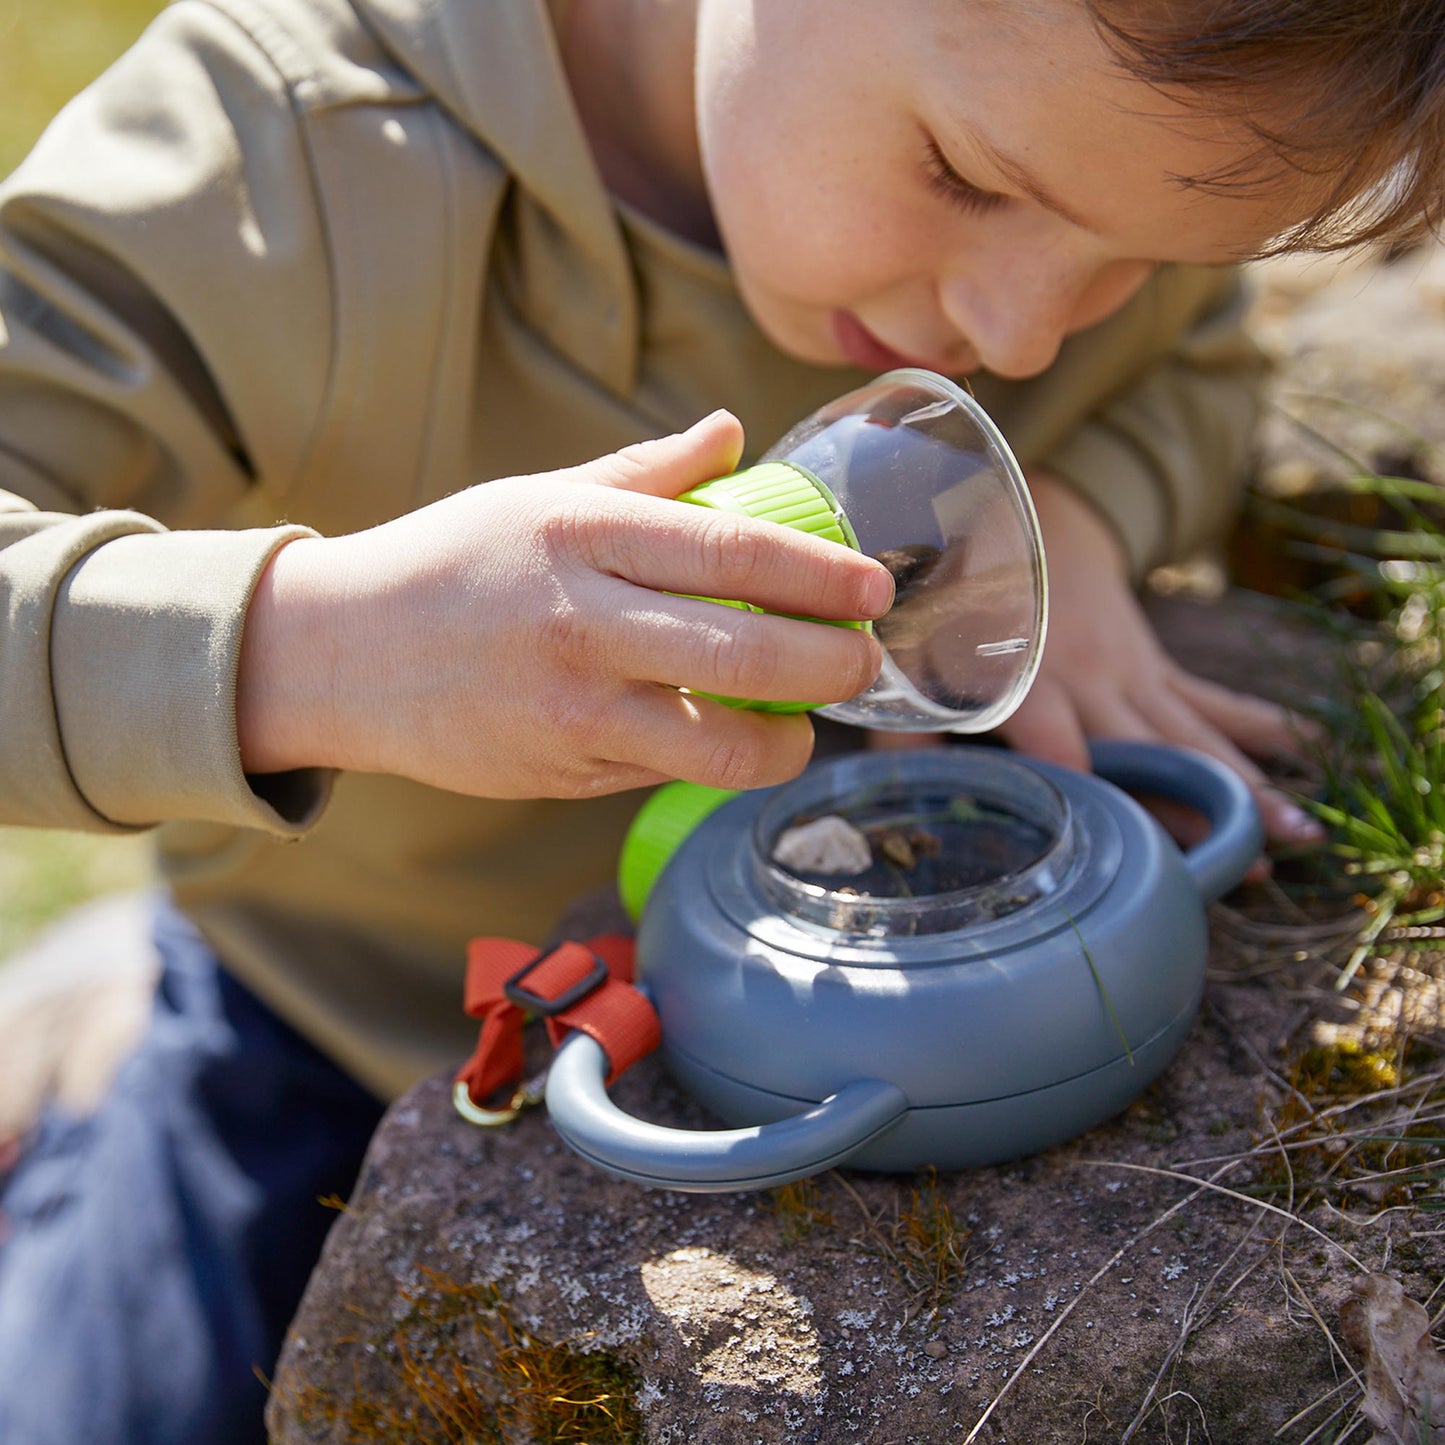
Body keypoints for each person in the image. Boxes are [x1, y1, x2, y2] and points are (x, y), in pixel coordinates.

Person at [0, 0, 1440, 1440]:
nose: (1021, 328)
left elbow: (1200, 367)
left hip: (810, 1019)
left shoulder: (1087, 160)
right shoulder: (278, 155)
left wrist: (1081, 513)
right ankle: (78, 1055)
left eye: (1131, 258)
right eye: (967, 177)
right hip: (330, 1016)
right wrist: (312, 650)